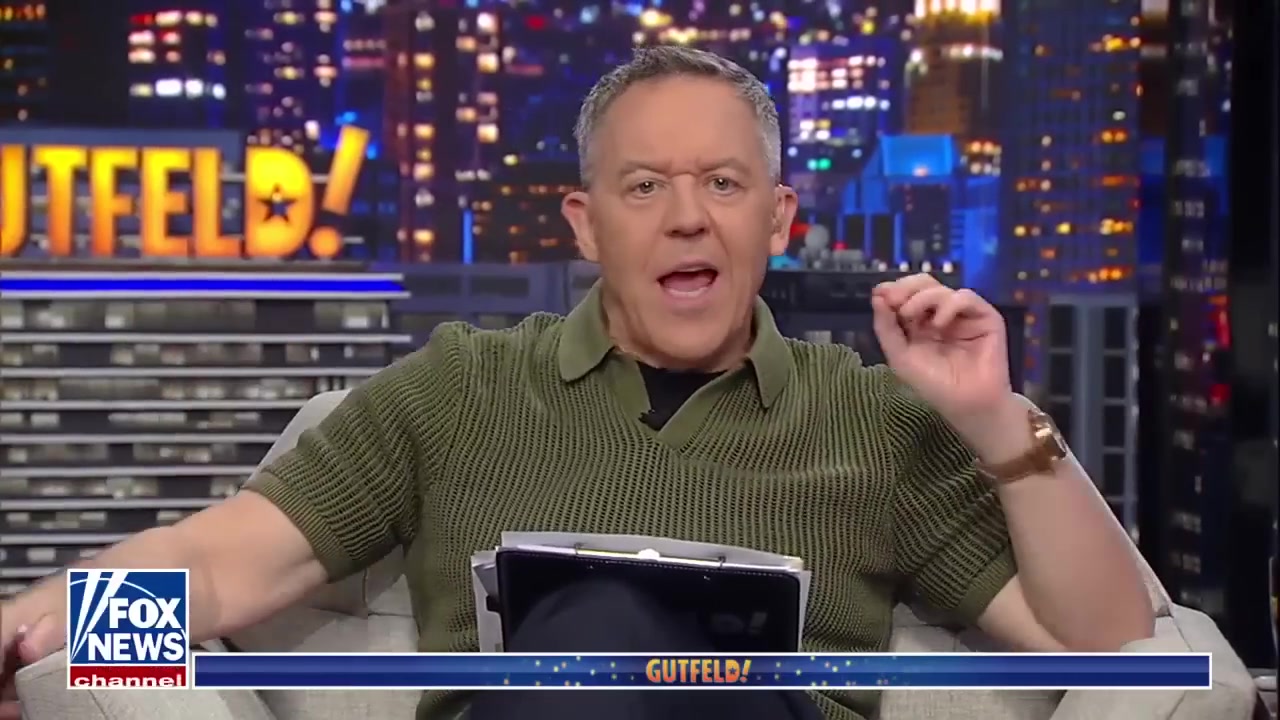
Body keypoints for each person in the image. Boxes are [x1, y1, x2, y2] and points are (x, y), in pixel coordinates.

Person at [0, 46, 1153, 720]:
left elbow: (1102, 647)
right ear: (585, 223)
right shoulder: (461, 388)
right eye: (643, 186)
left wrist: (995, 421)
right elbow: (226, 562)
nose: (686, 216)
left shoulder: (874, 419)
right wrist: (33, 622)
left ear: (776, 219)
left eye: (722, 183)